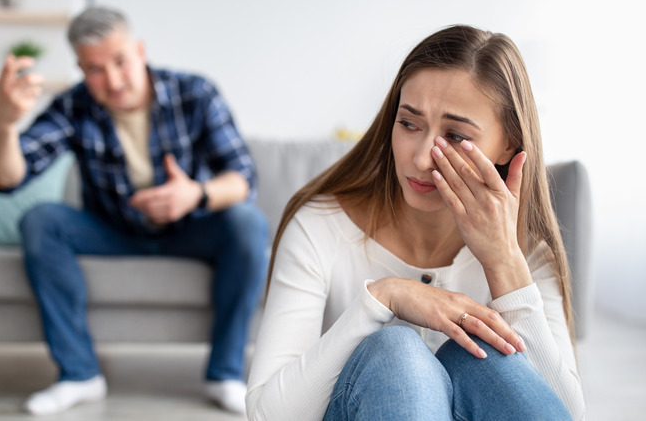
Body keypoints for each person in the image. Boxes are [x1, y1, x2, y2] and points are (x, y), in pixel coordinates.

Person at [246, 24, 586, 420]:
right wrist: (383, 299)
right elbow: (267, 414)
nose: (422, 158)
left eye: (455, 135)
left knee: (486, 355)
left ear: (509, 142)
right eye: (409, 123)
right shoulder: (320, 227)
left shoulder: (527, 254)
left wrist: (505, 263)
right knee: (397, 353)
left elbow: (567, 414)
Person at [0, 6, 267, 416]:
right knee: (41, 220)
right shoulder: (73, 107)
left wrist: (196, 195)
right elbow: (5, 178)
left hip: (191, 228)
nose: (113, 81)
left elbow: (242, 178)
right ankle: (79, 375)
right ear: (80, 68)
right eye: (95, 70)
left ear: (140, 50)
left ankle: (224, 373)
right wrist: (4, 125)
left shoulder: (195, 92)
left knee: (246, 220)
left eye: (120, 62)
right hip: (111, 230)